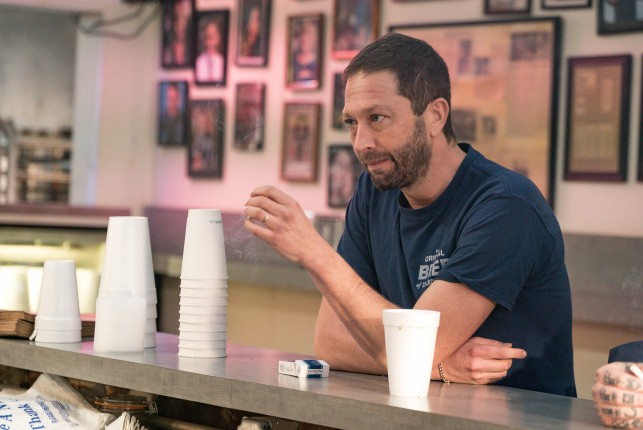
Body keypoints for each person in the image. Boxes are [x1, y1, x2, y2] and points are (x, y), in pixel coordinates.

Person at [244, 32, 576, 396]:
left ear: (435, 115)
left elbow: (415, 347)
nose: (361, 143)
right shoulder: (374, 192)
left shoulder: (506, 206)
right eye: (351, 122)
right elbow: (330, 341)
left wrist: (313, 252)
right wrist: (439, 366)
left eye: (377, 118)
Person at [195, 19, 225, 83]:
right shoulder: (199, 61)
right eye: (208, 36)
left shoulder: (222, 61)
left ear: (218, 38)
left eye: (213, 35)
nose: (210, 39)